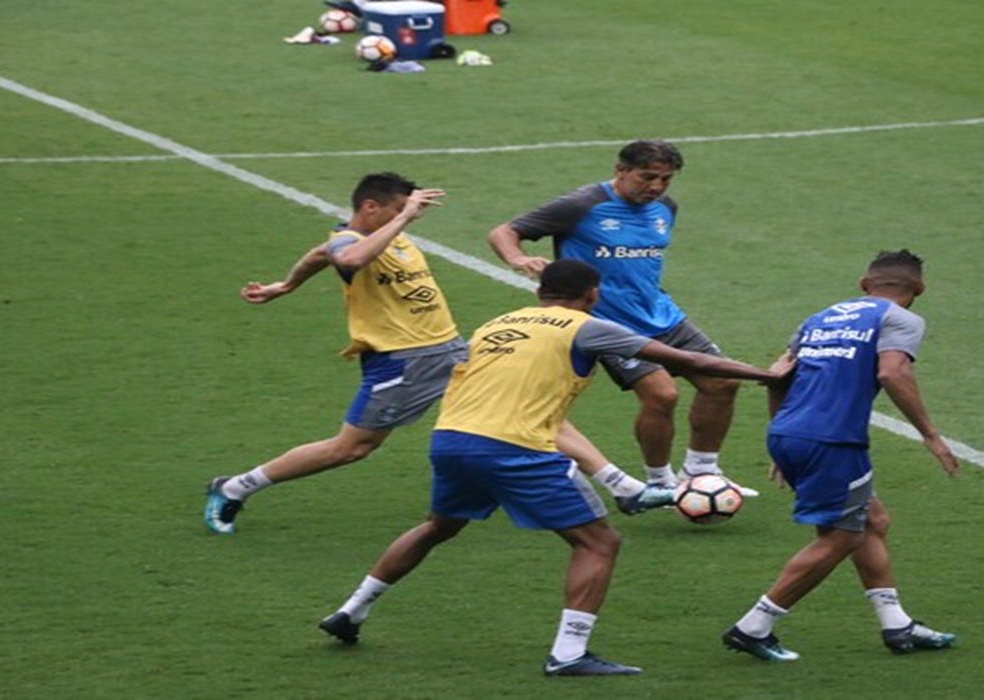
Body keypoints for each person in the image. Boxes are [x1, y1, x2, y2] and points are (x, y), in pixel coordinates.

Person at [316, 259, 782, 676]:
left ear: (542, 290)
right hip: (513, 449)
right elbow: (692, 360)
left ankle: (352, 610)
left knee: (438, 526)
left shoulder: (494, 326)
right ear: (593, 294)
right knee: (598, 543)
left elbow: (542, 413)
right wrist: (768, 376)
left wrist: (613, 478)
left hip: (451, 440)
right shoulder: (586, 326)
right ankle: (569, 653)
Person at [204, 172, 670, 536]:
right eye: (399, 209)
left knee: (531, 408)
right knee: (351, 448)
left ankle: (623, 487)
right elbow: (340, 256)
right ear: (370, 207)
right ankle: (234, 486)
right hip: (403, 362)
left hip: (450, 349)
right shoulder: (355, 240)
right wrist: (403, 218)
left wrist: (286, 285)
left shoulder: (387, 235)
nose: (410, 216)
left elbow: (315, 256)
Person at [721, 250, 960, 662]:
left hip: (790, 432)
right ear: (918, 290)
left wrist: (783, 437)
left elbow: (777, 375)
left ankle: (896, 624)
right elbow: (892, 372)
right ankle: (753, 627)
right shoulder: (900, 319)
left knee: (872, 519)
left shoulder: (820, 318)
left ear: (863, 284)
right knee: (841, 537)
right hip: (832, 440)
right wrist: (931, 435)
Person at [487, 139, 758, 496]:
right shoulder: (582, 204)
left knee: (721, 383)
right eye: (647, 177)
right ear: (620, 170)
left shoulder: (665, 208)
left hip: (662, 314)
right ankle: (660, 481)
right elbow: (504, 232)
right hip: (609, 323)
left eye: (665, 179)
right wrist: (517, 259)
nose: (656, 187)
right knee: (662, 395)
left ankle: (701, 472)